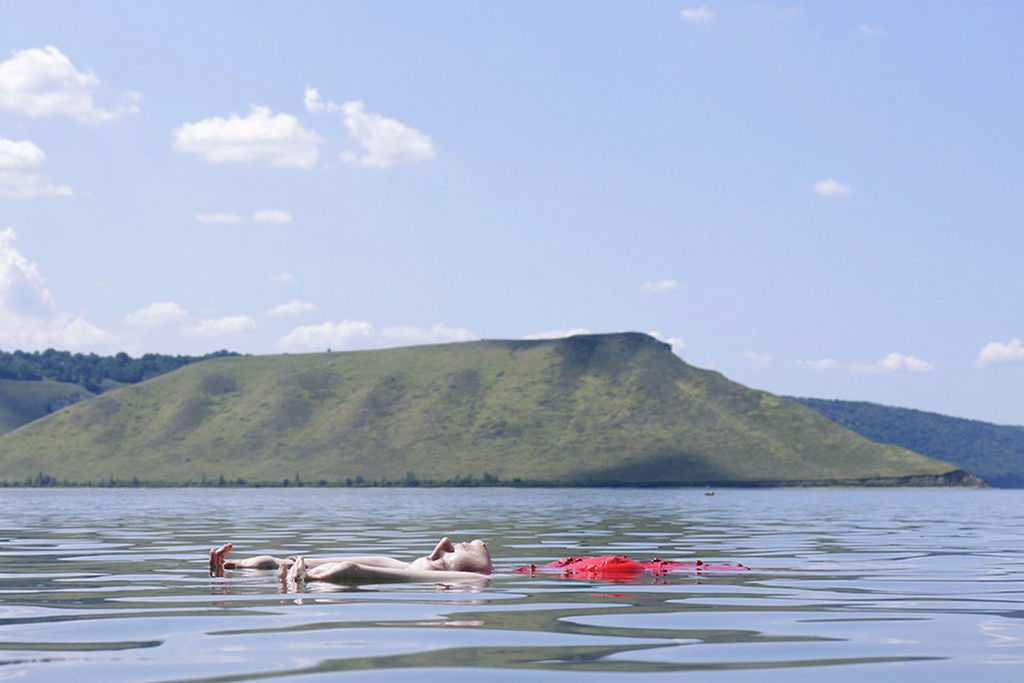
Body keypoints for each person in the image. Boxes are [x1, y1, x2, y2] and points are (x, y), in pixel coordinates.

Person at [209, 537, 492, 584]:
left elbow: (353, 570)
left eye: (450, 553)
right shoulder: (389, 561)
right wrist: (262, 563)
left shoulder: (475, 579)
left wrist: (306, 579)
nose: (442, 544)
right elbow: (296, 562)